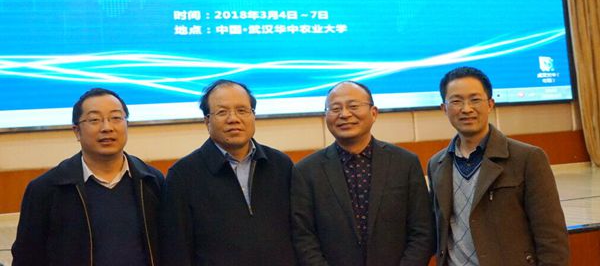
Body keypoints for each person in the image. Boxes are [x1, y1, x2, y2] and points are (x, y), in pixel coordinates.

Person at [428, 66, 570, 266]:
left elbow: (552, 237)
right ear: (444, 108)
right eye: (456, 101)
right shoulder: (437, 164)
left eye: (475, 99)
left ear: (490, 104)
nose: (466, 109)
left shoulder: (527, 158)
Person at [12, 88, 164, 266]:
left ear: (127, 125)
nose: (107, 128)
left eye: (116, 118)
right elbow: (27, 256)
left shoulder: (152, 181)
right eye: (94, 120)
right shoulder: (46, 189)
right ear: (77, 131)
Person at [291, 81, 434, 266]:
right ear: (326, 116)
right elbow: (304, 238)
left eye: (353, 106)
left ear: (374, 113)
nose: (344, 114)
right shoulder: (306, 171)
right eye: (335, 109)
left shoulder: (405, 163)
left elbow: (422, 231)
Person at [159, 79, 296, 266]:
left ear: (253, 115)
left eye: (242, 110)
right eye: (222, 112)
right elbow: (177, 249)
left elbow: (298, 231)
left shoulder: (280, 164)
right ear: (207, 121)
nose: (233, 119)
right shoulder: (183, 175)